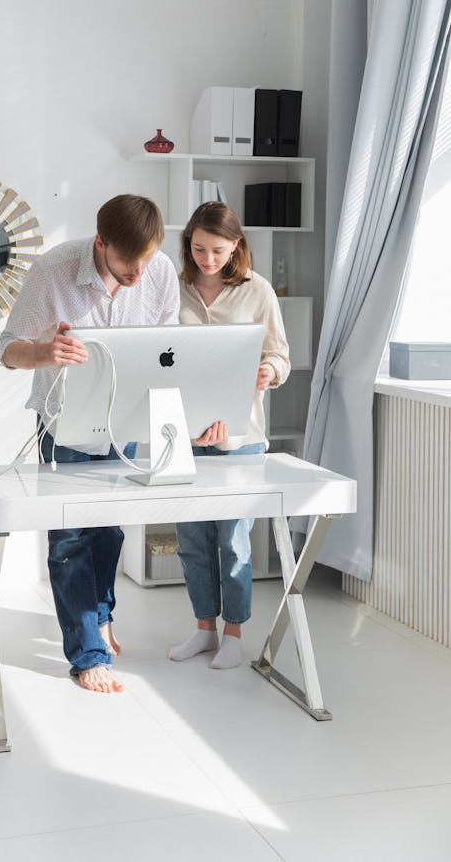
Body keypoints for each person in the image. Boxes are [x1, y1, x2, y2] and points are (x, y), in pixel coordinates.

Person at [0, 194, 221, 695]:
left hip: (126, 423)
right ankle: (87, 655)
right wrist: (43, 350)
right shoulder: (53, 270)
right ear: (100, 244)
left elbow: (168, 356)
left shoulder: (157, 270)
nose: (139, 275)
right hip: (65, 424)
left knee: (108, 533)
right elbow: (4, 350)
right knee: (72, 540)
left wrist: (187, 423)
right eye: (127, 264)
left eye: (146, 262)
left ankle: (99, 618)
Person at [169, 201, 290, 670]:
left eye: (218, 250)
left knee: (233, 541)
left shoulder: (258, 291)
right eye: (198, 248)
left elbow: (280, 354)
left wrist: (267, 371)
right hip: (184, 437)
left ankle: (235, 632)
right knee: (192, 540)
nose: (207, 259)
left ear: (236, 245)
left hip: (242, 438)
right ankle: (204, 630)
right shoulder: (174, 290)